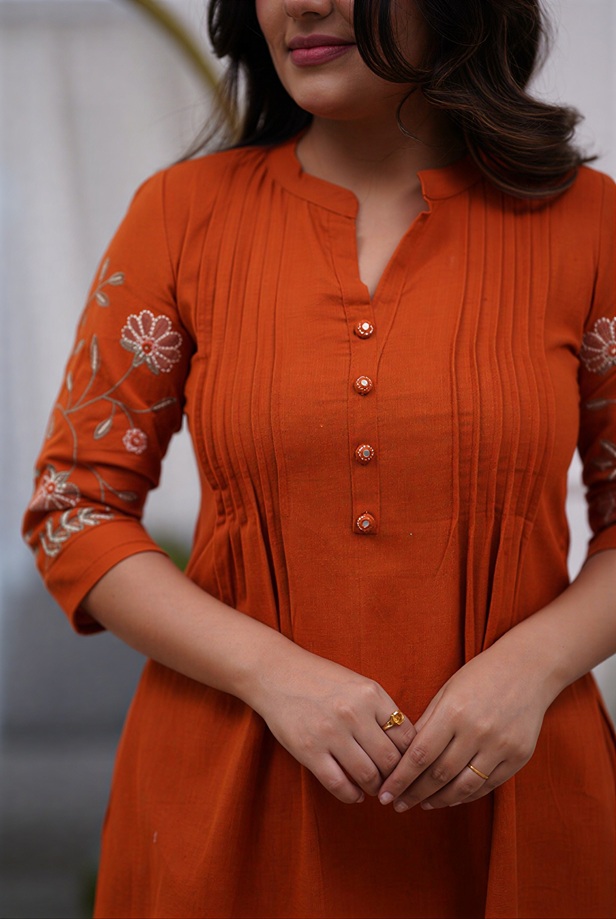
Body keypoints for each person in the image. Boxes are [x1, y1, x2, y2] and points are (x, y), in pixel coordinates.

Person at [22, 1, 616, 917]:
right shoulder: (180, 217)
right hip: (221, 810)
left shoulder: (592, 226)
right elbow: (75, 510)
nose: (301, 3)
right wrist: (274, 674)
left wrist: (529, 669)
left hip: (519, 800)